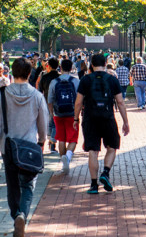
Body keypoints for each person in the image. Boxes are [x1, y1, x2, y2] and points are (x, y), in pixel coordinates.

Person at [0, 57, 48, 237]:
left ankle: (16, 215)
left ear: (12, 73)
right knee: (28, 185)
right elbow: (43, 122)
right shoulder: (37, 95)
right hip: (29, 146)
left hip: (8, 146)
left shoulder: (2, 94)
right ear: (30, 74)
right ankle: (23, 213)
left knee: (12, 185)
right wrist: (42, 141)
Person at [74, 53, 129, 194]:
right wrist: (125, 122)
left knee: (93, 151)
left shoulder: (85, 80)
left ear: (91, 65)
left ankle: (93, 185)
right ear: (105, 63)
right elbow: (120, 102)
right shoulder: (112, 79)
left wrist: (76, 118)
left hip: (90, 119)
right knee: (112, 147)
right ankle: (105, 172)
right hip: (107, 118)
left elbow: (79, 102)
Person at [48, 58, 79, 174]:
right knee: (73, 139)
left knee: (61, 138)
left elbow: (50, 100)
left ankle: (63, 162)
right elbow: (79, 100)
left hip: (58, 113)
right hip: (72, 114)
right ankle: (69, 156)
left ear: (60, 68)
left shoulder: (54, 82)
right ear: (71, 68)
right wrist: (78, 113)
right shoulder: (75, 81)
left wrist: (52, 113)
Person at [38, 57, 60, 153]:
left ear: (49, 66)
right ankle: (52, 145)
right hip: (58, 102)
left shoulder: (45, 77)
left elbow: (40, 91)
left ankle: (50, 141)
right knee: (55, 123)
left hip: (46, 102)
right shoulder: (59, 77)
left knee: (48, 123)